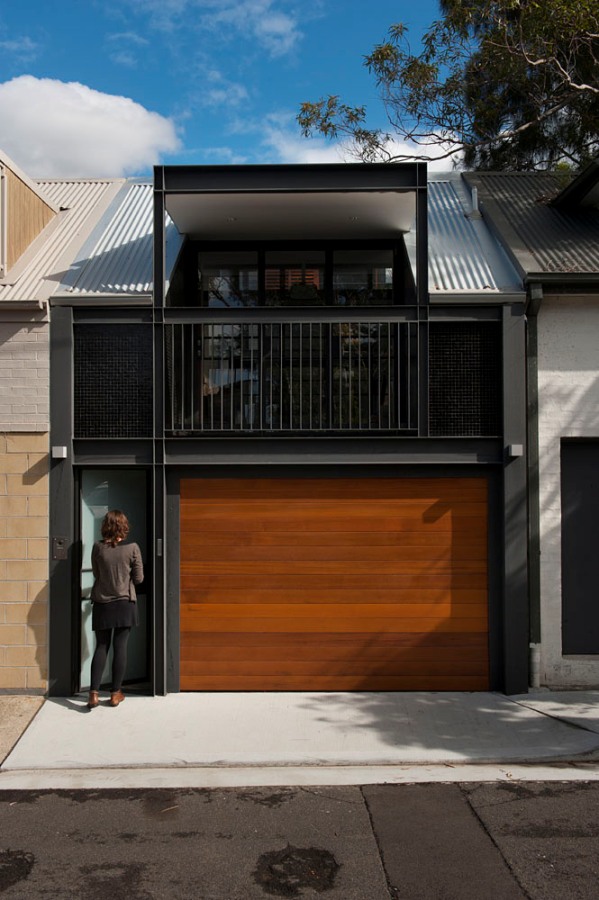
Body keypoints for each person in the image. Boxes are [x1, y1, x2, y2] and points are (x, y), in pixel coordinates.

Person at [87, 510, 144, 709]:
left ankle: (93, 694)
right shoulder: (132, 548)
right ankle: (115, 693)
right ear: (124, 527)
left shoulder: (97, 548)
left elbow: (97, 574)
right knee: (120, 647)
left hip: (102, 604)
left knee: (101, 646)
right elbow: (139, 579)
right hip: (124, 603)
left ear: (105, 526)